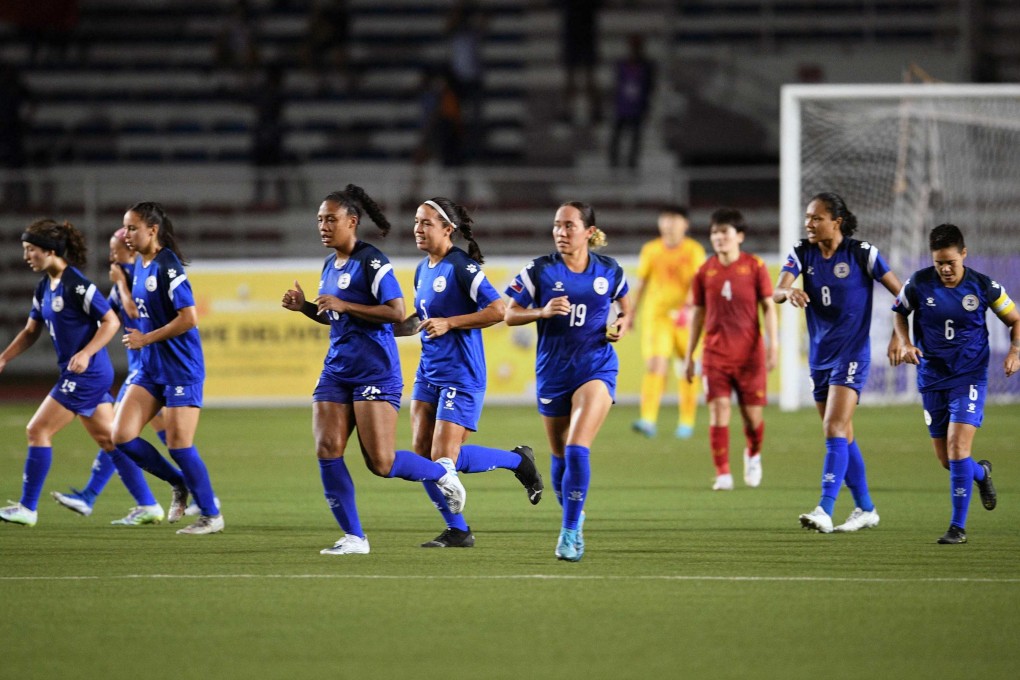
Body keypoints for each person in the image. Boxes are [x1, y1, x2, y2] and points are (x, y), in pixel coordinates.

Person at [281, 185, 467, 556]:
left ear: (352, 221)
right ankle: (354, 537)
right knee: (327, 448)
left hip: (375, 371)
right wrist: (304, 307)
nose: (323, 226)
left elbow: (397, 312)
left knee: (380, 463)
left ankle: (441, 473)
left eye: (331, 219)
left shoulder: (372, 261)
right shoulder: (329, 265)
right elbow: (333, 313)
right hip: (337, 369)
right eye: (319, 220)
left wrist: (347, 306)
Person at [395, 197, 543, 548]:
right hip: (428, 372)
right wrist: (387, 328)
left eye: (426, 223)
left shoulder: (462, 267)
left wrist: (451, 323)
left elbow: (498, 310)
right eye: (416, 222)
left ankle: (518, 461)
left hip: (461, 374)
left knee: (446, 459)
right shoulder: (422, 269)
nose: (418, 228)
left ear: (448, 229)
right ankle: (458, 530)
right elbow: (422, 318)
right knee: (422, 460)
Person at [505, 201, 632, 562]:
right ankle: (574, 513)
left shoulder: (609, 269)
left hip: (596, 367)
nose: (561, 233)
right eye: (557, 226)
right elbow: (508, 313)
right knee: (559, 455)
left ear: (589, 232)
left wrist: (622, 323)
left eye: (569, 226)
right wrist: (541, 311)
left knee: (577, 447)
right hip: (553, 373)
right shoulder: (541, 270)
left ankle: (570, 532)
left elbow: (625, 304)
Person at [0, 219, 148, 527]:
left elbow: (110, 321)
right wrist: (4, 358)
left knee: (37, 430)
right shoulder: (44, 288)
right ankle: (148, 504)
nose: (27, 256)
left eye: (31, 250)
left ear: (50, 250)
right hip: (83, 373)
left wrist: (85, 353)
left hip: (86, 373)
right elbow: (30, 332)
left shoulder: (76, 284)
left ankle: (27, 508)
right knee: (111, 442)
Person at [774, 192, 902, 534]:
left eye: (816, 218)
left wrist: (899, 336)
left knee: (833, 428)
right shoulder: (803, 252)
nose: (809, 224)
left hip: (852, 354)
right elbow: (776, 290)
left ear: (837, 221)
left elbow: (903, 295)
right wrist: (788, 293)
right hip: (820, 356)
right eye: (807, 218)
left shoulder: (862, 254)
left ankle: (825, 508)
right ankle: (866, 508)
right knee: (842, 433)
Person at [891, 223, 1018, 544]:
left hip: (969, 376)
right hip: (931, 377)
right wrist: (904, 343)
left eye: (951, 262)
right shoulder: (919, 283)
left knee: (959, 448)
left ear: (964, 254)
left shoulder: (983, 286)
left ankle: (957, 528)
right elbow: (898, 312)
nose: (946, 269)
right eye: (939, 263)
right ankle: (982, 473)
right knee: (949, 461)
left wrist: (1015, 350)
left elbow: (1015, 320)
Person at [111, 202, 225, 535]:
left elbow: (189, 318)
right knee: (121, 436)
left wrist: (146, 339)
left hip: (180, 368)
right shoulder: (140, 266)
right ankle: (179, 482)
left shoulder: (167, 265)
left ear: (152, 230)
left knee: (179, 445)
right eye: (125, 228)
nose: (127, 234)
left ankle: (211, 515)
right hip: (151, 368)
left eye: (133, 228)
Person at [50, 228, 171, 526]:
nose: (111, 255)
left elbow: (135, 315)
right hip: (141, 368)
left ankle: (190, 493)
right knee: (148, 436)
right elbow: (106, 317)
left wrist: (121, 286)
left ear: (129, 250)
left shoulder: (133, 276)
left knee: (124, 435)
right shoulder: (128, 276)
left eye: (114, 249)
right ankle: (191, 493)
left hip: (147, 368)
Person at [684, 208, 778, 490]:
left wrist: (773, 346)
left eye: (724, 232)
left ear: (739, 236)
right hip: (715, 355)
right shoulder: (704, 271)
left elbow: (768, 308)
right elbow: (697, 315)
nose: (719, 237)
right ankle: (723, 472)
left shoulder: (755, 266)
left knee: (752, 418)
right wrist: (690, 355)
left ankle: (753, 452)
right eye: (714, 232)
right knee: (719, 409)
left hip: (750, 356)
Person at [631, 204, 705, 439]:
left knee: (688, 368)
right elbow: (641, 282)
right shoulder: (651, 250)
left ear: (685, 224)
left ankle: (686, 422)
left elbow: (699, 282)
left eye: (674, 219)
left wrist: (689, 307)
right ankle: (648, 419)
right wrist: (631, 312)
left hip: (687, 318)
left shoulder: (694, 250)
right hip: (658, 317)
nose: (669, 224)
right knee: (656, 365)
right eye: (665, 219)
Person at [608, 34, 655, 169]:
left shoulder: (647, 66)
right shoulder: (622, 64)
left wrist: (646, 107)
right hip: (623, 105)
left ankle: (631, 162)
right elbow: (618, 85)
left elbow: (649, 87)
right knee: (617, 135)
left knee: (635, 137)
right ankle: (614, 161)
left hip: (637, 107)